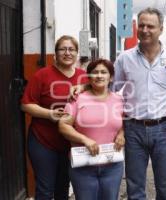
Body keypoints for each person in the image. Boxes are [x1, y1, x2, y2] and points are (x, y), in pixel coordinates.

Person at [113, 7, 166, 200]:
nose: (145, 30)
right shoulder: (124, 58)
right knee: (134, 187)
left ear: (161, 29)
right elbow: (113, 92)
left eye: (151, 26)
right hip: (133, 128)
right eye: (141, 25)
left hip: (164, 128)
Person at [21, 35, 88, 199]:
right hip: (43, 140)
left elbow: (102, 91)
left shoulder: (83, 76)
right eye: (62, 49)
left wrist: (84, 85)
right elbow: (25, 104)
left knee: (63, 187)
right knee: (45, 188)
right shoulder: (42, 75)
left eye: (71, 49)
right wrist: (49, 114)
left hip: (70, 142)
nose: (67, 53)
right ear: (56, 53)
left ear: (77, 53)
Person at [58, 59, 125, 200]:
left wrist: (122, 133)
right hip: (83, 165)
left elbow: (126, 122)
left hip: (112, 165)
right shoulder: (77, 99)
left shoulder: (119, 100)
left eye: (103, 72)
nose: (99, 76)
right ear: (89, 77)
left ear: (111, 77)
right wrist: (84, 139)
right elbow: (63, 126)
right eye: (95, 72)